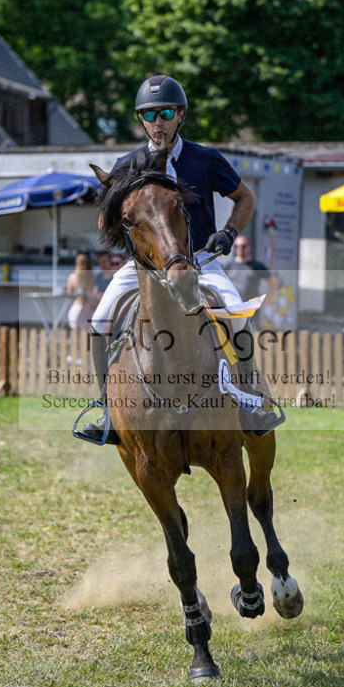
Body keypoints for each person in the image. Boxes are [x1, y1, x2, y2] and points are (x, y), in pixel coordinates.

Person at [83, 73, 278, 443]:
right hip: (146, 265)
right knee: (99, 320)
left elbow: (246, 198)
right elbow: (106, 219)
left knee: (237, 317)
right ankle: (105, 409)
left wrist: (229, 233)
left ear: (181, 115)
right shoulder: (128, 164)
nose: (158, 121)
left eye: (166, 112)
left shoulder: (205, 159)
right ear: (142, 119)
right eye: (150, 114)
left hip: (201, 261)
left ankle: (251, 403)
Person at [224, 234, 269, 301]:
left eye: (243, 246)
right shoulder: (228, 266)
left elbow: (273, 282)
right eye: (237, 246)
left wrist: (265, 300)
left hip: (251, 308)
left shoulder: (256, 266)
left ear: (249, 247)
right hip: (233, 306)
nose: (240, 249)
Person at [66, 251, 102, 331]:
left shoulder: (73, 276)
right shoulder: (93, 275)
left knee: (74, 322)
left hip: (80, 304)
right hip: (91, 305)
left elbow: (69, 292)